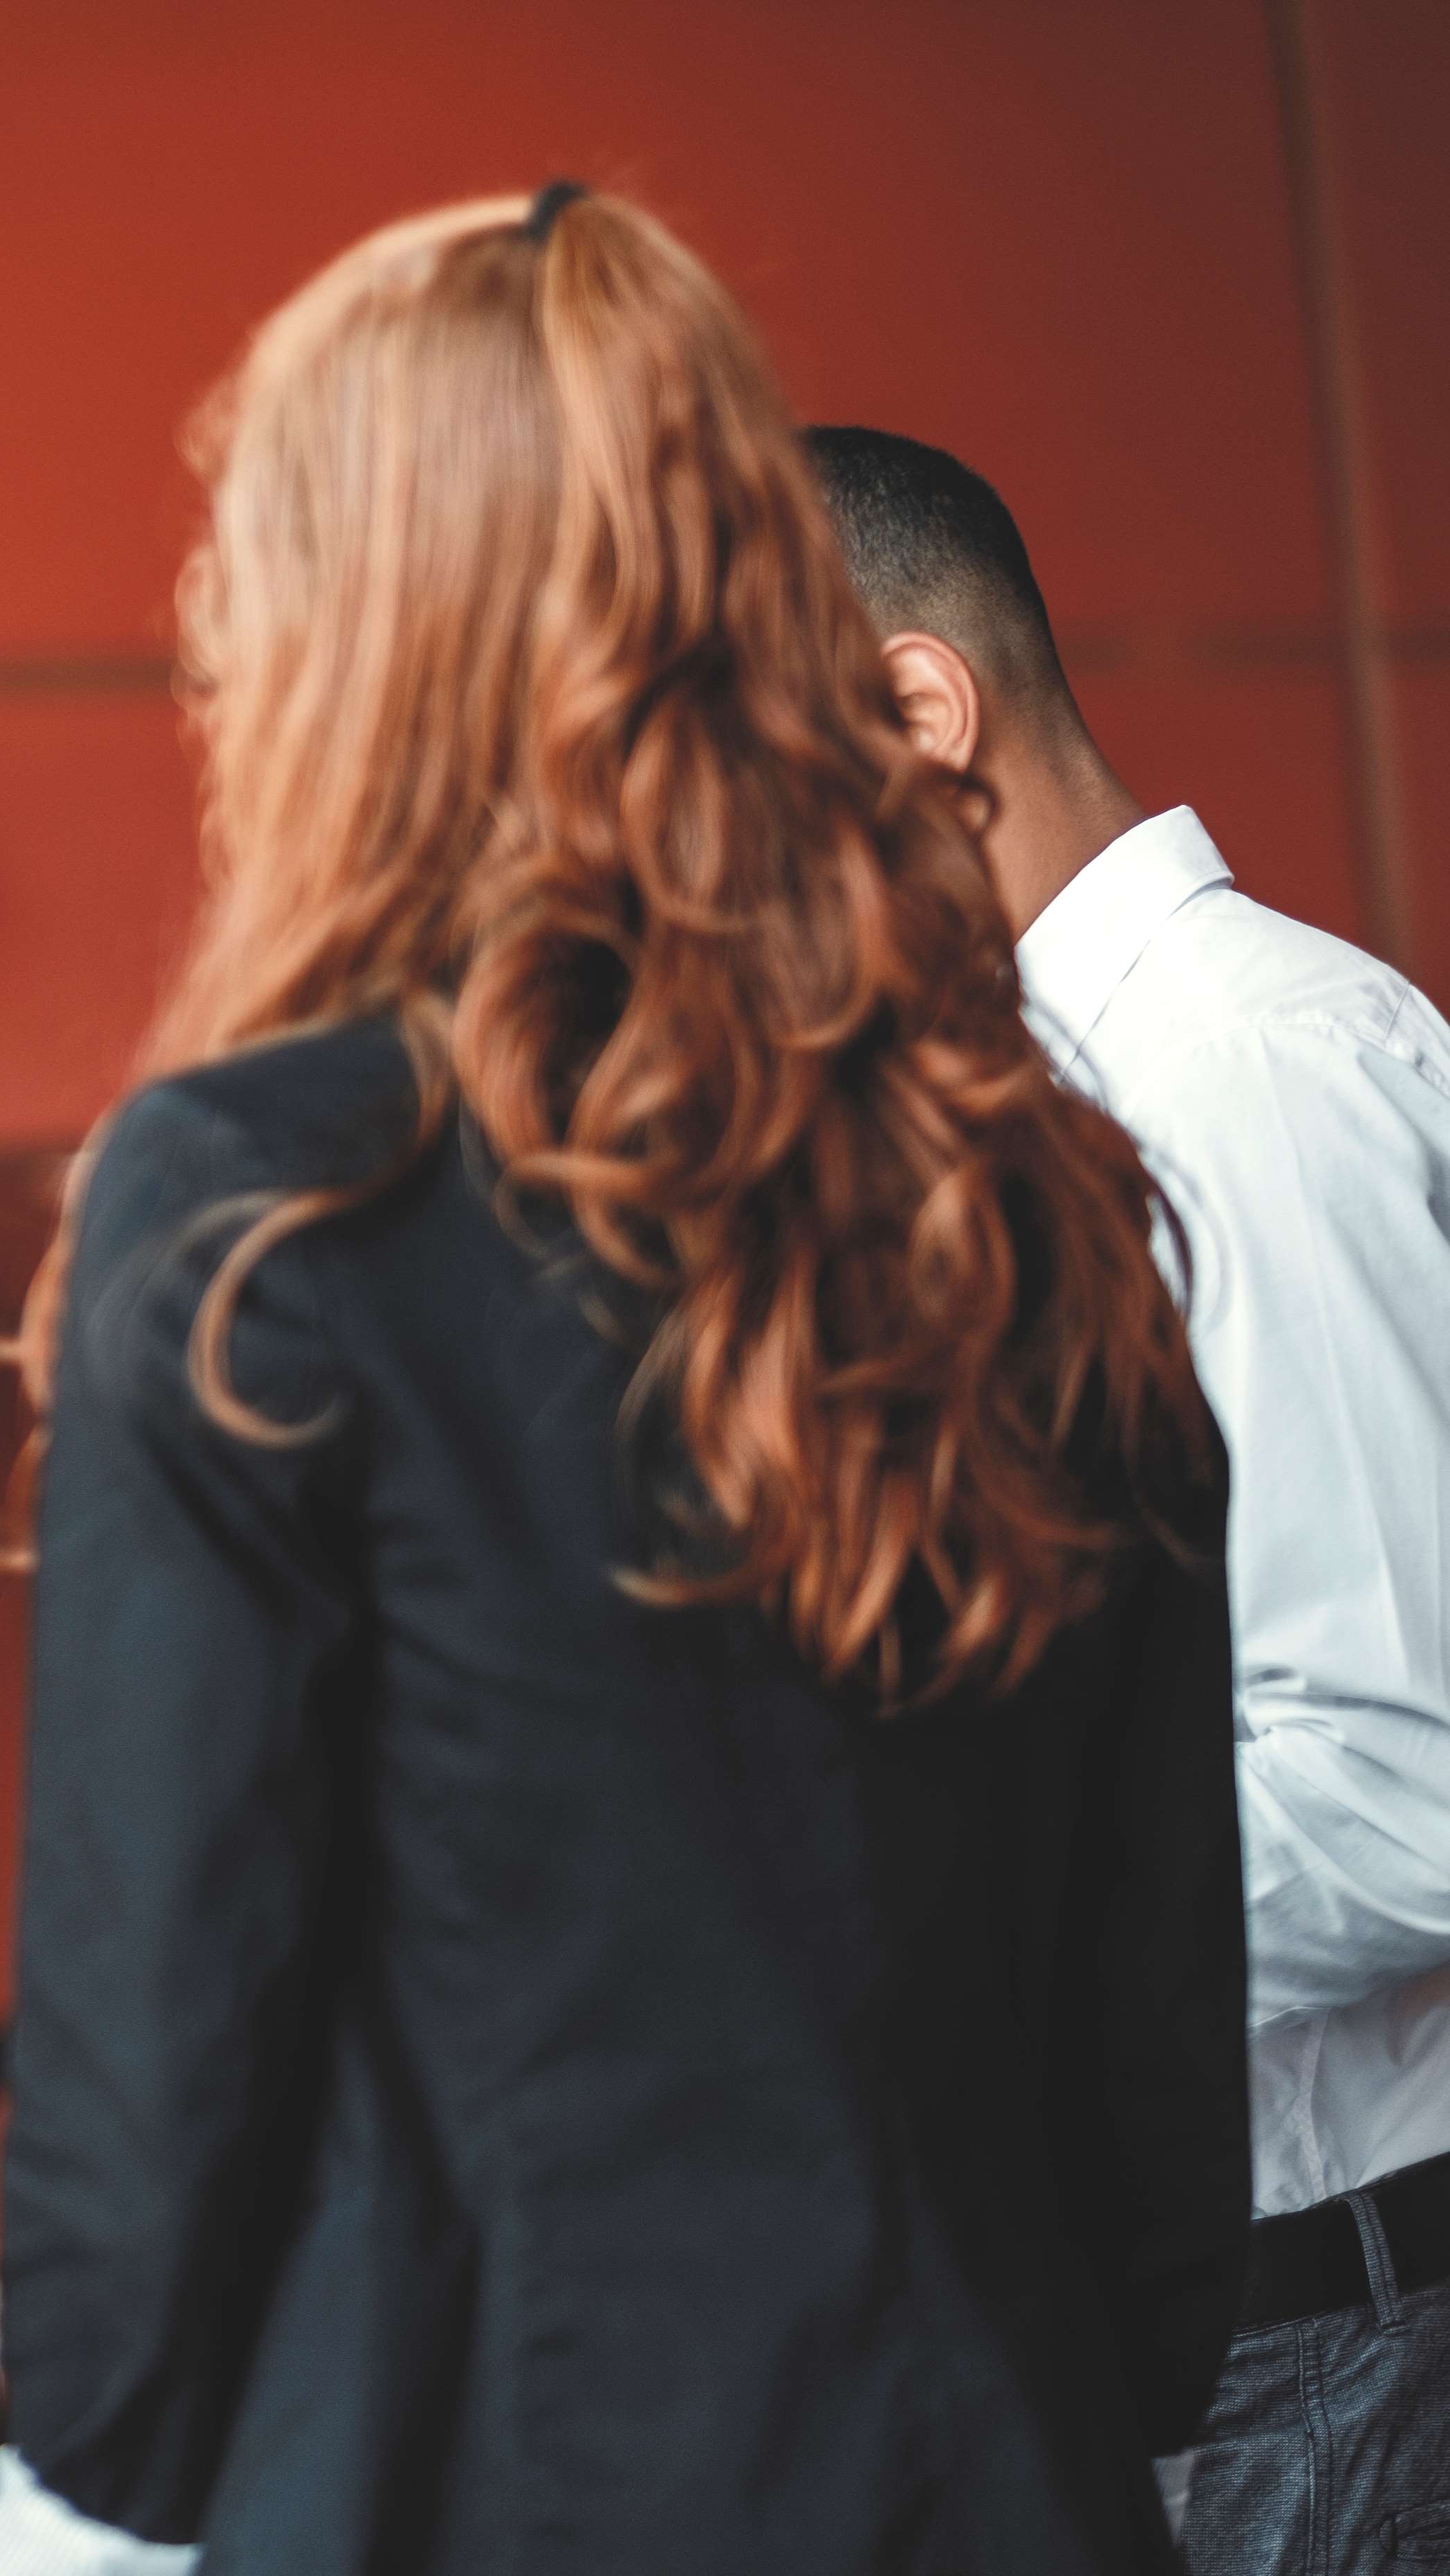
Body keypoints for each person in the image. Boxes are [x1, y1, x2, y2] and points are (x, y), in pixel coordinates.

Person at [0, 188, 1245, 2573]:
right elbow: (1162, 2118)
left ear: (333, 628)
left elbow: (134, 2182)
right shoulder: (1041, 1184)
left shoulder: (267, 1198)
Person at [812, 424, 1450, 2574]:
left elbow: (1404, 1777)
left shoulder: (1244, 1083)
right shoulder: (1063, 1125)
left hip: (1325, 2341)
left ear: (917, 715)